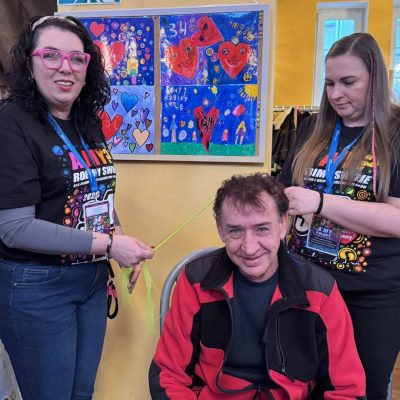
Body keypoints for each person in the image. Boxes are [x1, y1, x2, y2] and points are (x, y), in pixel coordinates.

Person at [0, 15, 154, 400]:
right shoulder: (11, 124)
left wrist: (117, 237)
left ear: (88, 67)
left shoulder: (87, 121)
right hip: (37, 285)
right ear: (29, 63)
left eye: (76, 58)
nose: (65, 67)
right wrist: (109, 245)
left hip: (90, 279)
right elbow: (15, 229)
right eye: (51, 55)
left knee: (81, 393)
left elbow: (95, 189)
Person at [149, 173, 366, 400]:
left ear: (283, 224)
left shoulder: (320, 290)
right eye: (235, 231)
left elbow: (346, 390)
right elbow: (168, 375)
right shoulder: (196, 281)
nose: (250, 248)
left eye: (262, 229)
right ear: (221, 230)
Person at [279, 32, 400, 400]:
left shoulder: (395, 133)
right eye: (329, 83)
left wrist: (321, 202)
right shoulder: (312, 129)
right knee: (301, 385)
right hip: (306, 285)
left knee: (359, 389)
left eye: (349, 82)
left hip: (371, 296)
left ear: (376, 80)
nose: (336, 94)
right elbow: (285, 195)